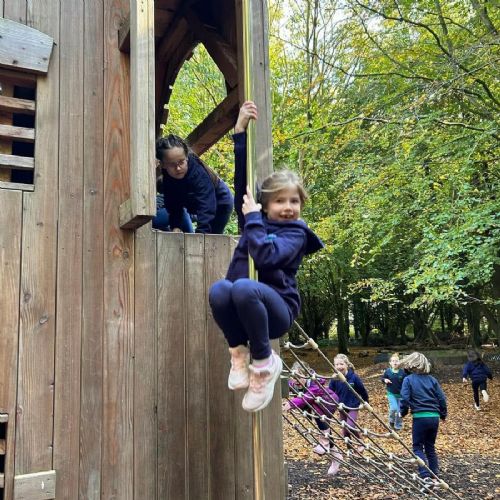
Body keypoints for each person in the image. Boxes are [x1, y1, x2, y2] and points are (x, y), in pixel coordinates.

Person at [208, 101, 324, 413]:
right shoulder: (254, 219)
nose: (288, 207)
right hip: (246, 310)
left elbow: (267, 257)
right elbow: (242, 183)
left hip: (277, 311)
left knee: (243, 287)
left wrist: (253, 220)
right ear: (266, 204)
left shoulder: (296, 234)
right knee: (219, 290)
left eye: (294, 201)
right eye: (280, 201)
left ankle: (264, 363)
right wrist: (239, 132)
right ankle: (238, 353)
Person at [156, 135, 233, 234]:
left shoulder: (197, 173)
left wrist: (201, 232)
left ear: (187, 158)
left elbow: (206, 203)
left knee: (212, 235)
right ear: (163, 164)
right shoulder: (168, 178)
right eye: (172, 164)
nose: (178, 168)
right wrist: (176, 226)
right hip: (196, 204)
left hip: (220, 202)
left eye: (181, 162)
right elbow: (173, 203)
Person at [399, 352, 447, 483]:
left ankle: (425, 475)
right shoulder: (432, 380)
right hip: (434, 417)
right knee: (430, 446)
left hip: (420, 417)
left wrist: (402, 412)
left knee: (417, 447)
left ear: (411, 365)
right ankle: (434, 474)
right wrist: (443, 414)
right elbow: (442, 398)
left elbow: (404, 398)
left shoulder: (408, 380)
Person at [283, 361, 339, 455]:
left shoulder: (314, 383)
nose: (296, 380)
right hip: (316, 404)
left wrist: (291, 404)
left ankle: (324, 444)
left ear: (306, 375)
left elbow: (307, 397)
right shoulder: (294, 383)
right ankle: (335, 453)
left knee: (320, 418)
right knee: (322, 423)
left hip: (329, 402)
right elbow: (287, 384)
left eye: (299, 377)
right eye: (294, 377)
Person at [327, 354, 369, 476]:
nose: (339, 366)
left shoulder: (353, 377)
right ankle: (350, 450)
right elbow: (330, 392)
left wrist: (366, 402)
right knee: (345, 430)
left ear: (346, 364)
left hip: (353, 406)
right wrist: (331, 403)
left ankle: (360, 442)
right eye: (336, 364)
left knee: (350, 425)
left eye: (341, 364)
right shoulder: (335, 379)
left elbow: (362, 390)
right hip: (341, 406)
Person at [381, 353, 407, 430]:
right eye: (393, 361)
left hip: (401, 395)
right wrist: (385, 380)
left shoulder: (402, 372)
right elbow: (382, 378)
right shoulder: (388, 371)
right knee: (394, 408)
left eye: (396, 361)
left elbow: (406, 382)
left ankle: (398, 425)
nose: (395, 362)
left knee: (399, 411)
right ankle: (391, 421)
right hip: (391, 394)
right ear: (390, 363)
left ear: (399, 362)